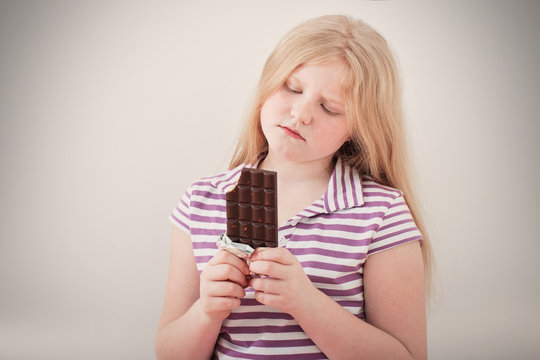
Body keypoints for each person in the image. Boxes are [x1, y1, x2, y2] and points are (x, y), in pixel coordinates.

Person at [156, 14, 432, 360]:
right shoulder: (202, 201)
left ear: (359, 129)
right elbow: (170, 352)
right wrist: (206, 312)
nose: (301, 114)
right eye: (293, 88)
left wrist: (306, 303)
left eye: (330, 108)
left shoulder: (381, 214)